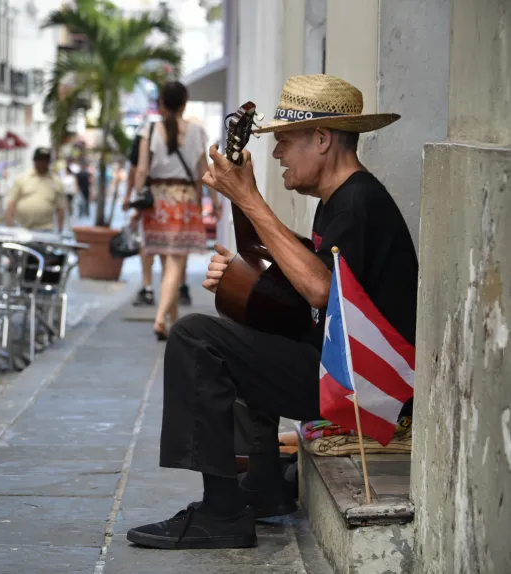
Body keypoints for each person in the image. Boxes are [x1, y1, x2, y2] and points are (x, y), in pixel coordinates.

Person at [126, 74, 418, 550]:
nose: (278, 153)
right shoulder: (338, 202)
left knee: (194, 336)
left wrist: (250, 200)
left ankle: (220, 513)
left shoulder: (359, 203)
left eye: (284, 141)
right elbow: (307, 278)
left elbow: (322, 290)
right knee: (242, 318)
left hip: (368, 387)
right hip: (340, 369)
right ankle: (261, 484)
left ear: (322, 139)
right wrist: (246, 275)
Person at [132, 82, 212, 341]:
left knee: (169, 266)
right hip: (184, 200)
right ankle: (160, 319)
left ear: (161, 104)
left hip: (156, 201)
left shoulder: (149, 129)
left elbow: (142, 170)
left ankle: (173, 323)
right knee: (175, 264)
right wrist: (210, 203)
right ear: (185, 103)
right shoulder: (197, 132)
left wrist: (136, 200)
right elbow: (203, 173)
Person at [4, 148, 66, 232]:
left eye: (45, 160)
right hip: (21, 228)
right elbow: (11, 203)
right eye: (39, 159)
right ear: (34, 160)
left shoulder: (56, 181)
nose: (42, 163)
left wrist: (60, 231)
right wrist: (9, 227)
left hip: (46, 229)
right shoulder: (22, 178)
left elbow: (61, 208)